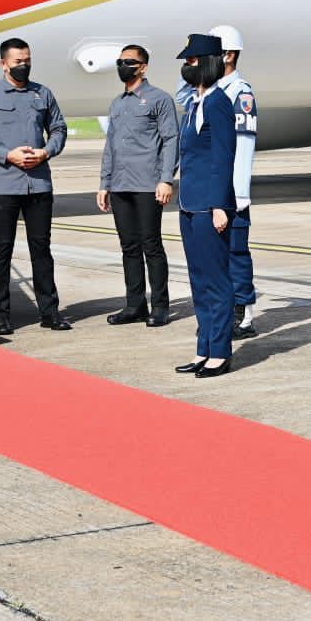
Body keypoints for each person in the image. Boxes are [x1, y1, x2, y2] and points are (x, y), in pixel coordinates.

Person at [0, 38, 72, 335]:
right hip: (4, 185)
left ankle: (50, 312)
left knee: (41, 249)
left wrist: (47, 151)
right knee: (2, 250)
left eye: (27, 60)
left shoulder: (42, 94)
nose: (24, 65)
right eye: (18, 61)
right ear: (3, 64)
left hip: (38, 185)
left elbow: (59, 128)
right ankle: (0, 314)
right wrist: (5, 155)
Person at [177, 25, 259, 338]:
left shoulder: (240, 93)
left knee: (236, 254)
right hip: (208, 193)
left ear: (228, 54)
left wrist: (234, 195)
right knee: (211, 264)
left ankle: (243, 311)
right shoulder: (204, 93)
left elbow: (240, 148)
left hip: (230, 194)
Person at [96, 44, 179, 327]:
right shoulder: (117, 103)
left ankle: (160, 306)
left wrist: (166, 179)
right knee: (128, 246)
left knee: (151, 245)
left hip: (147, 184)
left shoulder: (159, 99)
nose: (123, 66)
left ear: (143, 66)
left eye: (129, 62)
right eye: (120, 61)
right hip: (120, 185)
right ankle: (134, 305)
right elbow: (111, 146)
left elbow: (171, 140)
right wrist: (104, 183)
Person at [172, 33, 237, 378]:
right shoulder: (195, 103)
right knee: (198, 280)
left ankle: (220, 351)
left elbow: (223, 158)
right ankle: (204, 347)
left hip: (209, 205)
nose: (186, 66)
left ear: (208, 62)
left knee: (216, 281)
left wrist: (219, 205)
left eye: (191, 61)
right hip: (189, 204)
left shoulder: (219, 104)